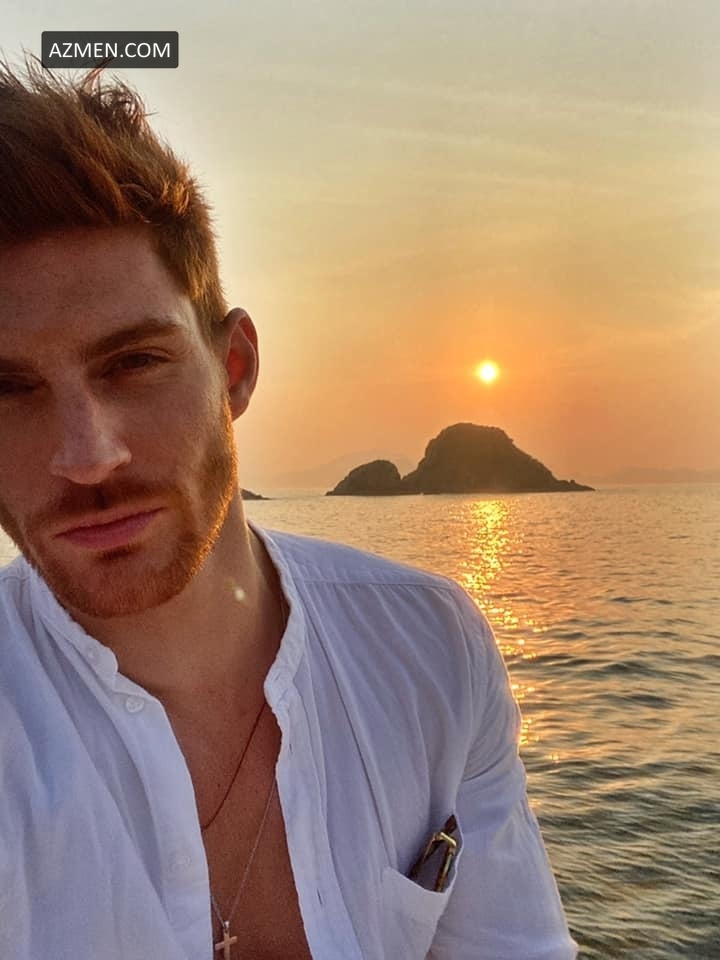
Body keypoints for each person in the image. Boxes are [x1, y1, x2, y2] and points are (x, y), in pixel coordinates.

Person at [0, 60, 578, 960]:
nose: (86, 457)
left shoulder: (429, 647)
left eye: (134, 363)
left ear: (233, 369)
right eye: (9, 389)